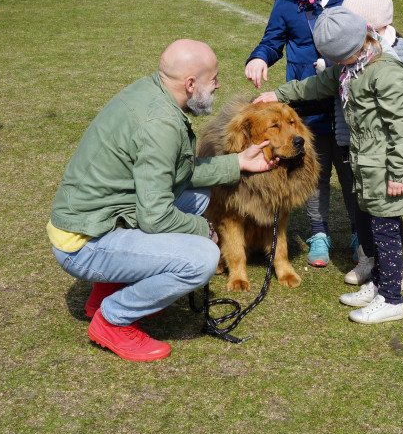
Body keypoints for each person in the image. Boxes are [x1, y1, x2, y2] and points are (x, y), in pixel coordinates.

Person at [48, 39, 279, 361]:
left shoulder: (150, 91)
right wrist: (205, 231)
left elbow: (175, 172)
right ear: (190, 84)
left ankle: (107, 289)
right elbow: (155, 217)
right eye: (213, 79)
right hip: (83, 243)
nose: (217, 86)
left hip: (101, 218)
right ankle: (113, 319)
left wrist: (238, 162)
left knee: (196, 197)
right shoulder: (161, 125)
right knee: (201, 259)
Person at [254, 8, 403, 324]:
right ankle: (377, 283)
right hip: (366, 164)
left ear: (355, 46)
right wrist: (279, 94)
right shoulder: (349, 68)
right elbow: (315, 85)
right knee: (368, 225)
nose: (335, 63)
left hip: (387, 169)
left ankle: (391, 299)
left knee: (386, 232)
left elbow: (401, 129)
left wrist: (397, 173)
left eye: (338, 57)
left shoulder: (387, 74)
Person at [244, 0, 357, 267]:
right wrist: (260, 57)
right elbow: (272, 40)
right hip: (306, 104)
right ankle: (319, 233)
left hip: (347, 102)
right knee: (312, 174)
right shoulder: (286, 1)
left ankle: (359, 232)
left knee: (351, 173)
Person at [339, 0, 403, 286]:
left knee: (388, 215)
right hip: (359, 150)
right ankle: (368, 260)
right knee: (362, 210)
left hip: (390, 155)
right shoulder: (350, 52)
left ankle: (391, 268)